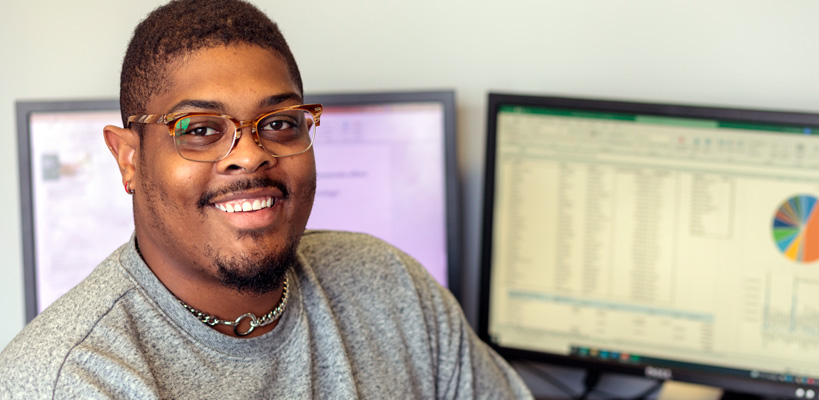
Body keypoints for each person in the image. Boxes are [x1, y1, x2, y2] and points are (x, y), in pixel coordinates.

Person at [0, 1, 532, 398]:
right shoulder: (68, 380)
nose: (250, 156)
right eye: (200, 129)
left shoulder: (392, 289)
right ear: (129, 159)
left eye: (278, 123)